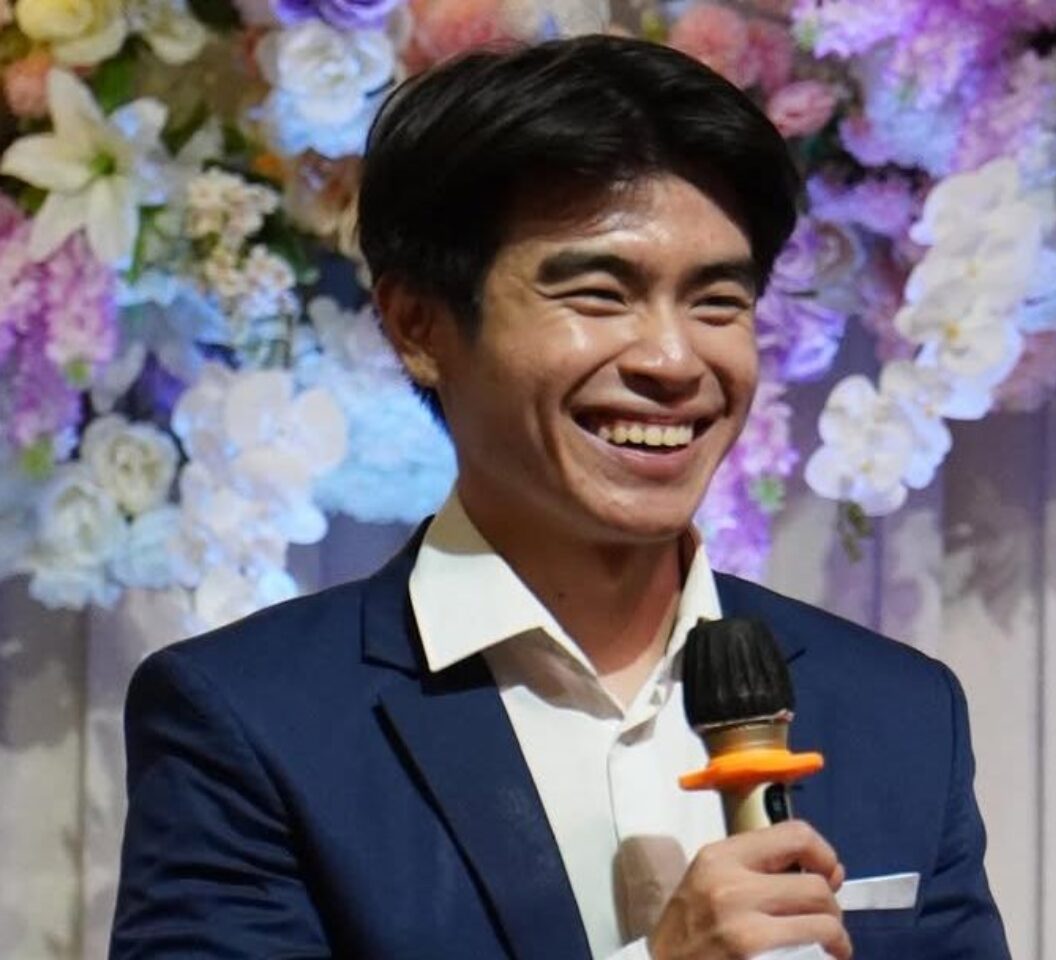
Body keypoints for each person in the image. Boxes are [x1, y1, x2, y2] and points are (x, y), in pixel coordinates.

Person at [109, 34, 1010, 960]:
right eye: (600, 295)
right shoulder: (253, 718)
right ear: (419, 327)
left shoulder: (901, 710)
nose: (673, 361)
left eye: (716, 303)